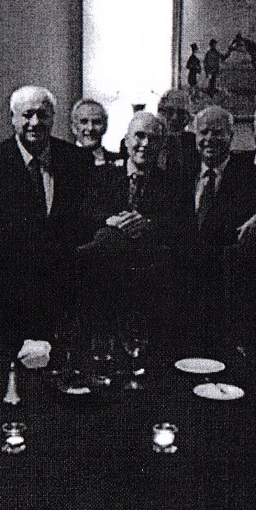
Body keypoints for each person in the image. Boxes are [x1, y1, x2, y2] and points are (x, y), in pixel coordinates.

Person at [0, 86, 95, 343]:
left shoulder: (78, 161)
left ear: (53, 117)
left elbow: (85, 223)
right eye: (27, 115)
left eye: (42, 115)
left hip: (65, 298)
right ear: (13, 118)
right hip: (8, 299)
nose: (35, 122)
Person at [79, 112, 191, 346]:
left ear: (162, 145)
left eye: (154, 138)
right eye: (139, 136)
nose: (145, 144)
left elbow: (182, 227)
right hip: (107, 282)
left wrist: (147, 224)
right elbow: (85, 214)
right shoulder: (102, 175)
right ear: (127, 139)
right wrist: (111, 220)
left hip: (152, 283)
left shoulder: (174, 184)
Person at [182, 105, 256, 345]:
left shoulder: (252, 175)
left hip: (227, 291)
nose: (210, 139)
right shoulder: (181, 172)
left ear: (231, 137)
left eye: (218, 132)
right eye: (204, 132)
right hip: (183, 289)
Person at [154, 88, 198, 174]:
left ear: (188, 118)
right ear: (160, 114)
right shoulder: (149, 141)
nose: (175, 118)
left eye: (181, 112)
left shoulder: (194, 144)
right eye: (169, 111)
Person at [70, 98, 122, 166]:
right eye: (84, 122)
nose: (90, 128)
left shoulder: (119, 161)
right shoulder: (62, 160)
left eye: (96, 122)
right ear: (74, 127)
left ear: (105, 126)